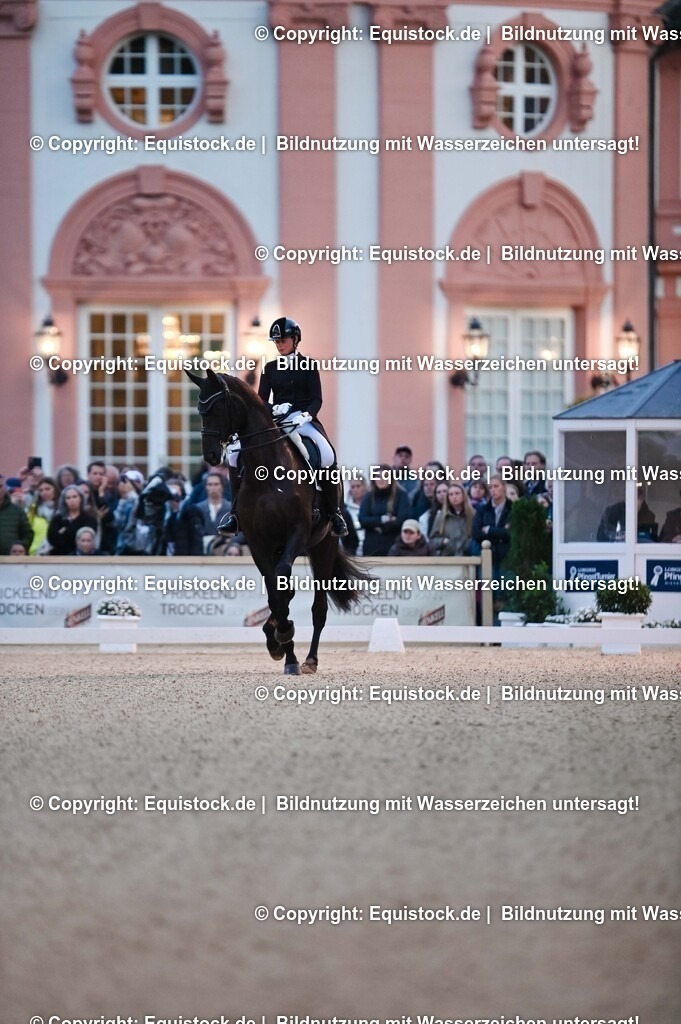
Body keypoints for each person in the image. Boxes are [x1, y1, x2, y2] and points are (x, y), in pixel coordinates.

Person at [218, 317, 348, 537]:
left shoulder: (309, 366)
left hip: (302, 420)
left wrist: (306, 415)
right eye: (276, 341)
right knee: (233, 455)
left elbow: (316, 398)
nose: (279, 345)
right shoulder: (270, 368)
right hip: (276, 419)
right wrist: (273, 408)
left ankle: (335, 513)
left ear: (295, 339)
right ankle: (235, 513)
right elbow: (261, 399)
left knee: (326, 454)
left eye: (283, 340)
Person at [359, 465, 411, 556]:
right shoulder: (369, 496)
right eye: (378, 476)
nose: (381, 480)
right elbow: (362, 519)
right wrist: (382, 520)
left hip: (394, 546)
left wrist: (380, 527)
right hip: (371, 546)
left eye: (385, 476)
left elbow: (402, 520)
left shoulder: (401, 495)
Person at [472, 475, 513, 567]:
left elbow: (510, 533)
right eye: (490, 487)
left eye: (496, 486)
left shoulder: (513, 508)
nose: (493, 490)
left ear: (504, 487)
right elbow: (476, 532)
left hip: (507, 557)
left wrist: (489, 530)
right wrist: (500, 536)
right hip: (487, 556)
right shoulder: (482, 509)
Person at [47, 485, 98, 555]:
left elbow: (88, 539)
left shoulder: (89, 519)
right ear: (64, 501)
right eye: (68, 498)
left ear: (81, 498)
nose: (72, 500)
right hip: (59, 555)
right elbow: (52, 539)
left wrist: (65, 531)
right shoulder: (58, 519)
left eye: (75, 497)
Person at [428, 483, 474, 556]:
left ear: (463, 495)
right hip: (448, 557)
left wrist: (469, 543)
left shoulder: (473, 514)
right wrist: (443, 541)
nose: (454, 497)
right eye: (451, 494)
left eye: (457, 493)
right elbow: (432, 540)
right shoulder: (441, 516)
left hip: (468, 556)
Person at [0, 475, 33, 555]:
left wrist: (21, 547)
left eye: (0, 486)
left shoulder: (17, 510)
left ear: (5, 488)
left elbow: (28, 534)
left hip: (11, 559)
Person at [27, 476, 60, 554]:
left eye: (47, 489)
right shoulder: (33, 510)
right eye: (41, 490)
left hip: (58, 552)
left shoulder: (62, 510)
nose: (44, 492)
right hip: (35, 552)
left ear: (55, 489)